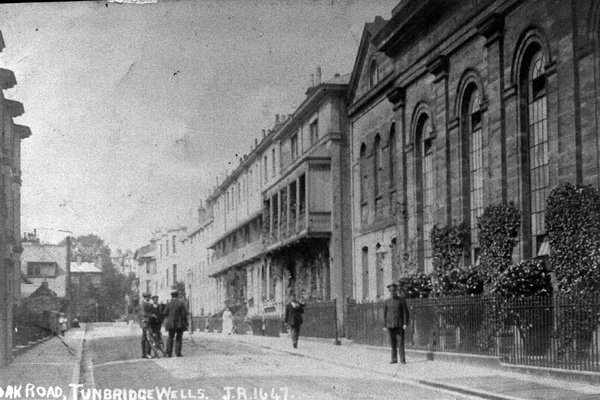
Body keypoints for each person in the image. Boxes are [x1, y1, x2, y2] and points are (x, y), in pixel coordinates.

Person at [383, 283, 410, 364]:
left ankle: (402, 359)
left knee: (401, 343)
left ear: (396, 291)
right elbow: (384, 314)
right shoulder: (386, 302)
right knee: (393, 343)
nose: (393, 292)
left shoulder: (401, 300)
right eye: (391, 291)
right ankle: (394, 359)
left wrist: (405, 323)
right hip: (390, 325)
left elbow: (405, 313)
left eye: (394, 291)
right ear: (389, 292)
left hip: (399, 325)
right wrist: (384, 325)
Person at [163, 289, 188, 357]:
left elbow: (164, 313)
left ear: (171, 296)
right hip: (179, 324)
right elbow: (184, 314)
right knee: (179, 338)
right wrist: (186, 323)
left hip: (171, 324)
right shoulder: (180, 304)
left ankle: (169, 353)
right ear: (177, 296)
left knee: (170, 337)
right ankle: (178, 353)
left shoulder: (168, 304)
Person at [139, 292, 153, 359]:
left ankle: (144, 353)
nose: (149, 298)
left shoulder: (147, 304)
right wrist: (152, 315)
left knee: (145, 338)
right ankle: (147, 353)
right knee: (147, 338)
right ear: (145, 297)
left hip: (147, 322)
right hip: (145, 323)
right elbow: (144, 314)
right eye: (147, 297)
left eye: (149, 297)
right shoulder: (143, 304)